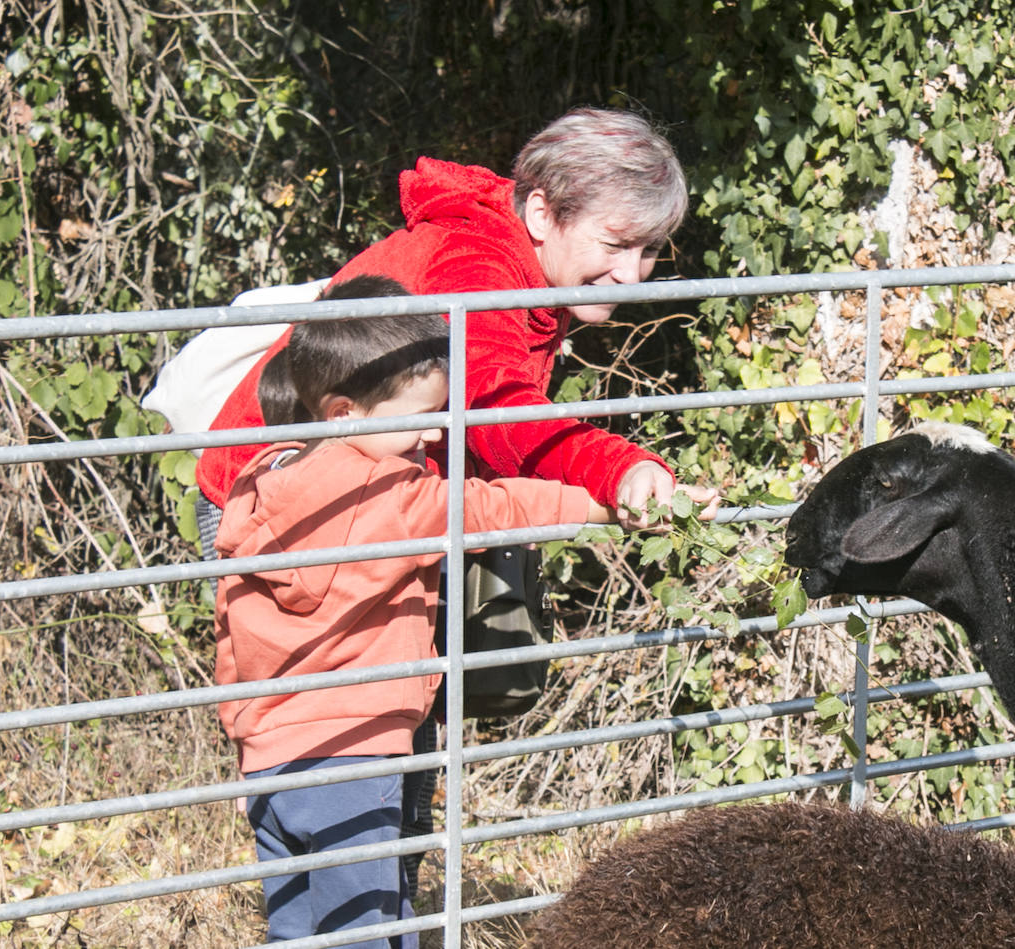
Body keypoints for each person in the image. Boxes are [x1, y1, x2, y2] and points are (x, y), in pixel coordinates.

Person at [213, 292, 630, 946]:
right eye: (420, 418)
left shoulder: (257, 487)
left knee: (296, 929)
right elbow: (499, 507)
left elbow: (232, 640)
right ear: (345, 415)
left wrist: (246, 748)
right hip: (357, 754)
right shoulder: (395, 499)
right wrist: (607, 503)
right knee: (371, 924)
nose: (435, 433)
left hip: (273, 762)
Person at [195, 106, 714, 554]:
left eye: (647, 250)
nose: (630, 275)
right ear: (540, 214)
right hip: (269, 496)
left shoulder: (525, 259)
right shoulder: (476, 265)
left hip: (353, 495)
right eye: (613, 245)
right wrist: (617, 468)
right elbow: (492, 403)